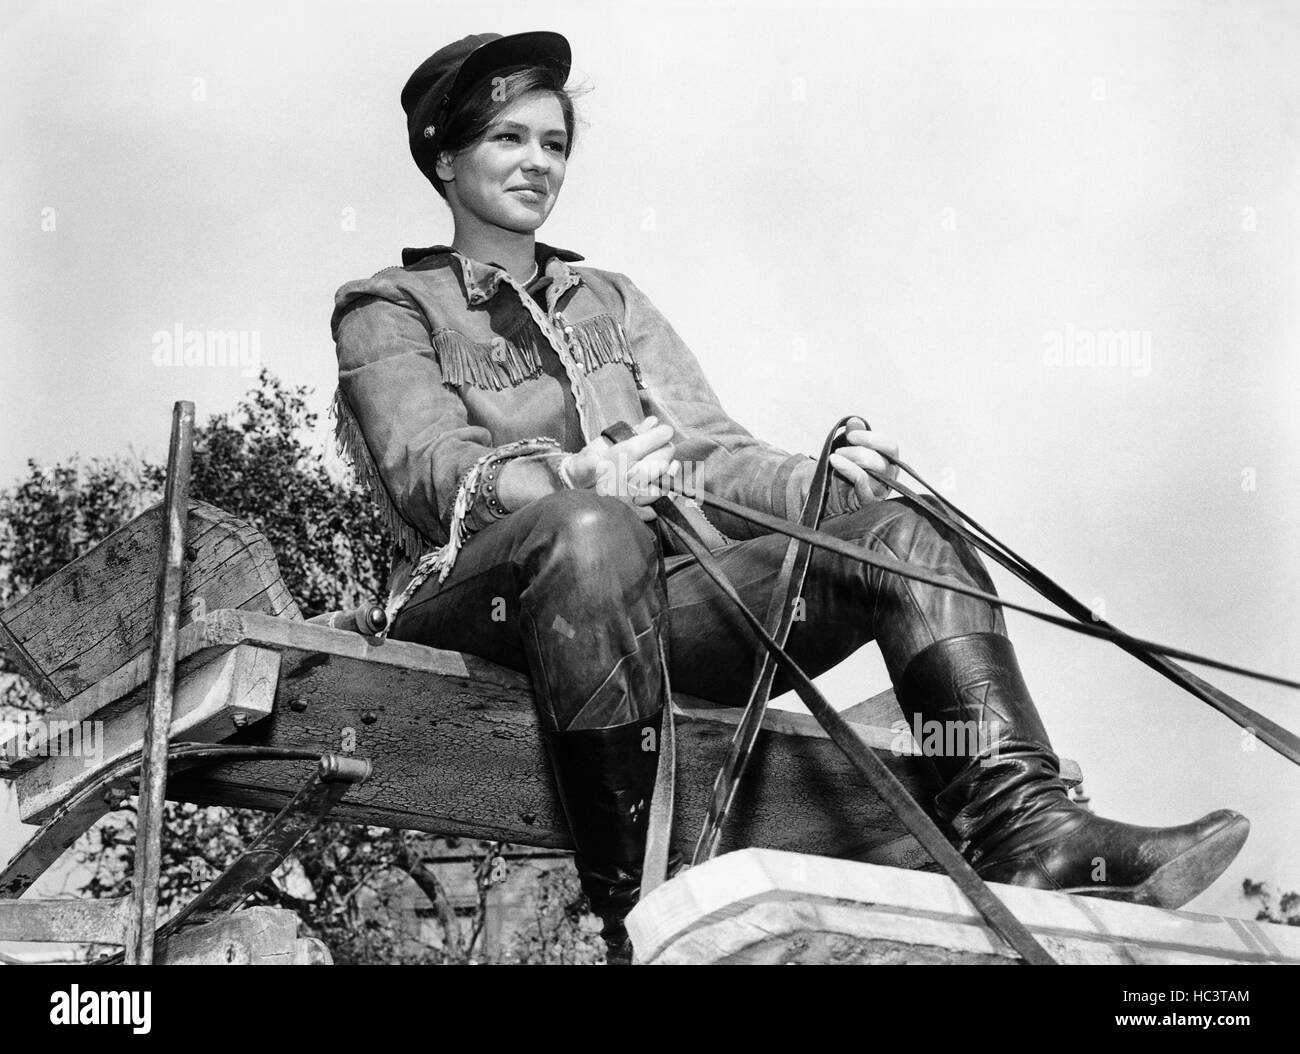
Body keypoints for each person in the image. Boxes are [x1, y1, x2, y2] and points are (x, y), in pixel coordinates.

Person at [331, 31, 1249, 964]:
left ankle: (1030, 834)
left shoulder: (611, 297)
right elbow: (431, 467)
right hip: (485, 600)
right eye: (508, 139)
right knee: (591, 525)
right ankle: (634, 915)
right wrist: (566, 478)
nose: (537, 162)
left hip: (645, 605)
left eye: (555, 144)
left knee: (895, 530)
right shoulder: (388, 304)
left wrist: (825, 483)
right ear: (446, 157)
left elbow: (709, 453)